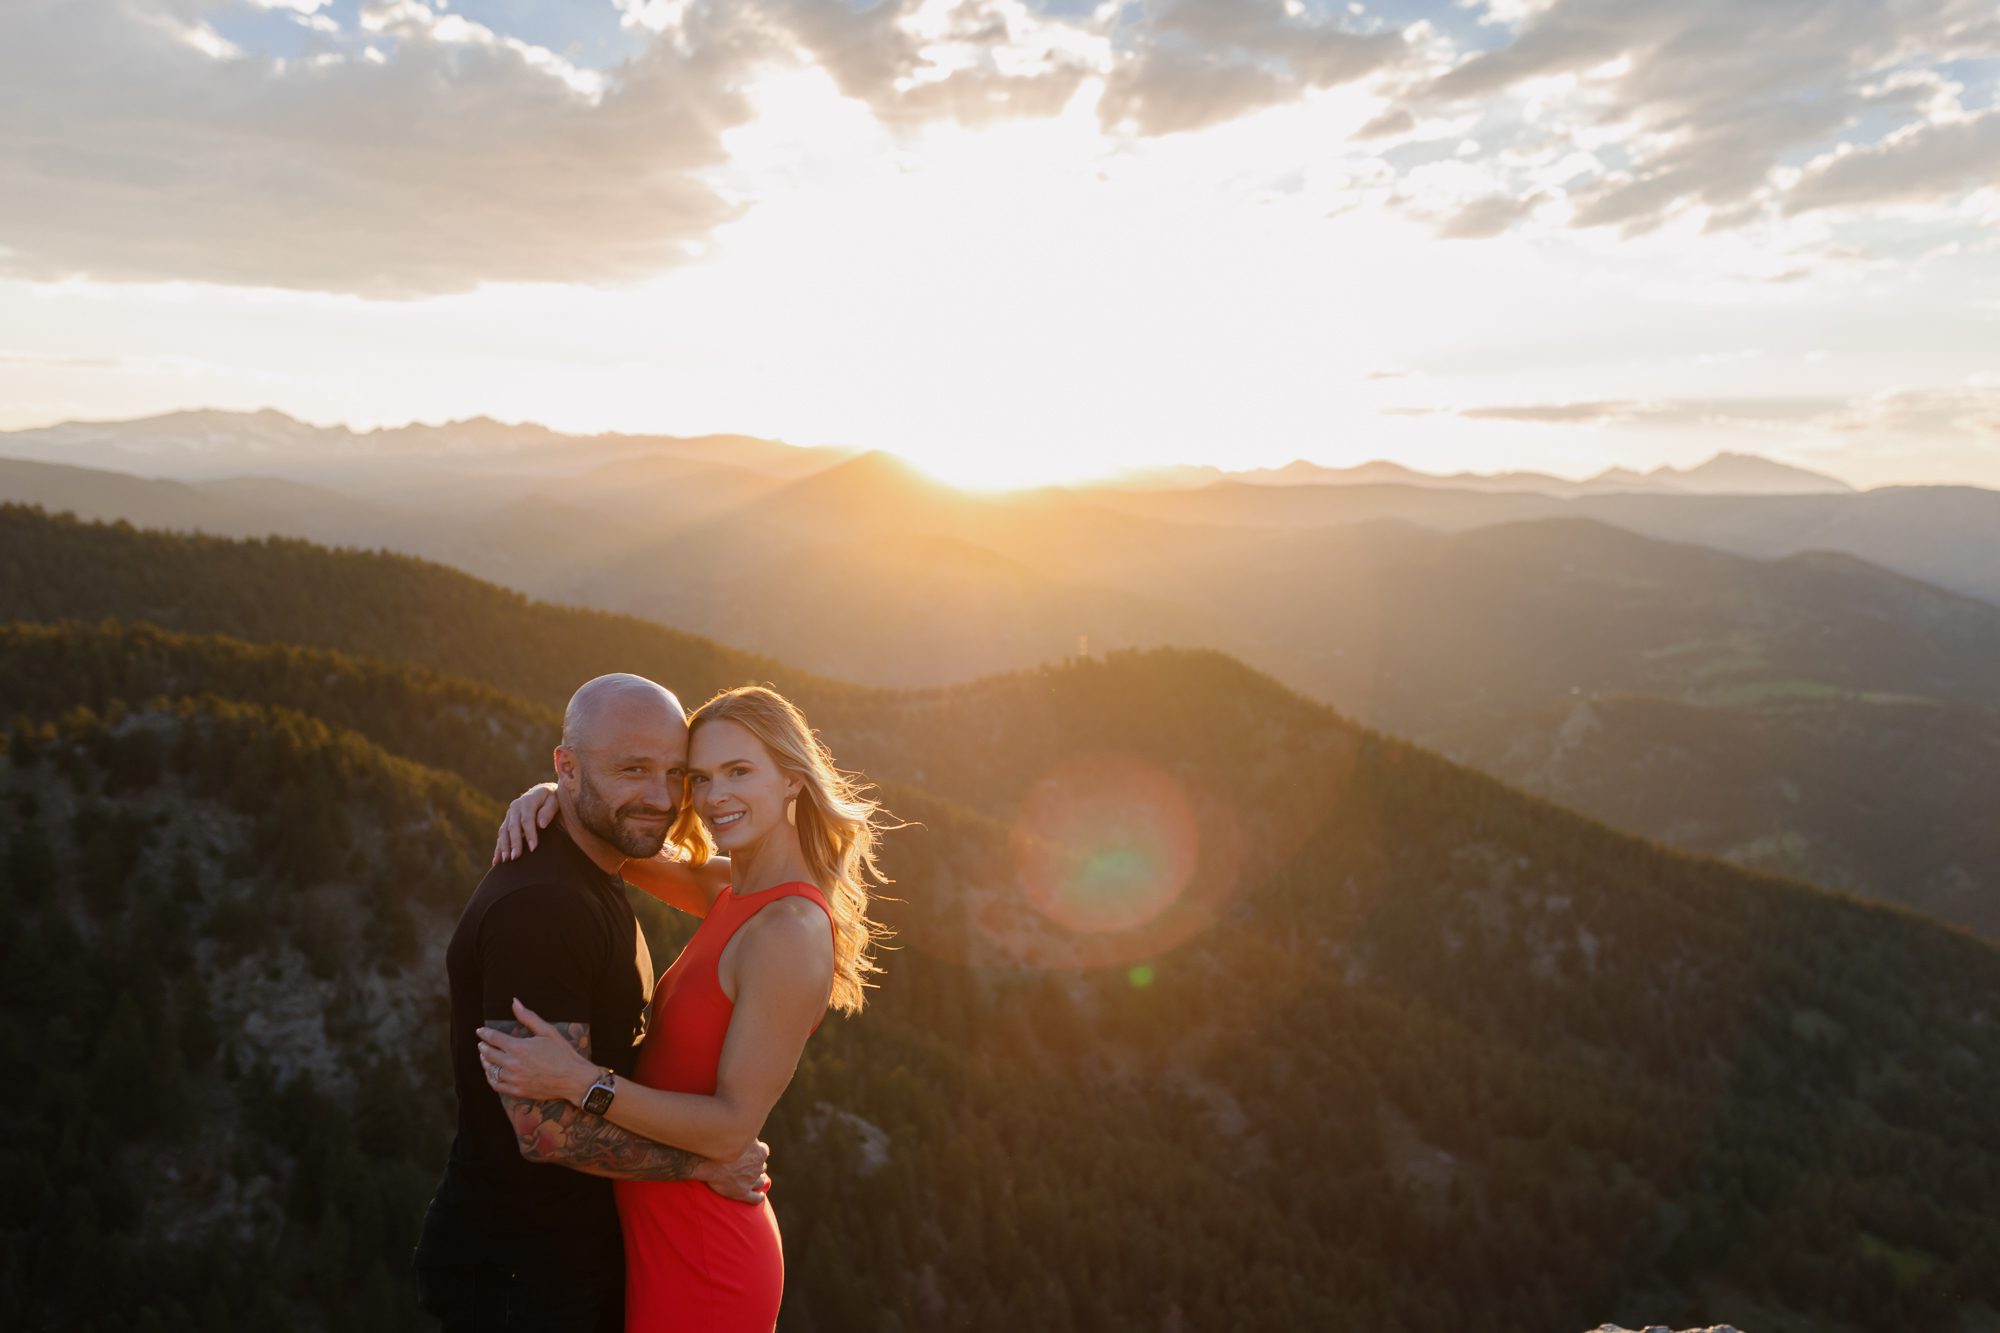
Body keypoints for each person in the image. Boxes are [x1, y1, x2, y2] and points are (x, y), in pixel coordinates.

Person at [480, 683, 892, 1332]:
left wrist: (577, 1079)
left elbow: (732, 1128)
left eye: (739, 771)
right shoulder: (736, 887)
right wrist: (548, 796)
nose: (712, 796)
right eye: (697, 777)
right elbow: (622, 840)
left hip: (706, 1256)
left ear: (792, 779)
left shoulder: (788, 929)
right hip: (661, 1233)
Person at [414, 674, 772, 1333]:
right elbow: (544, 1129)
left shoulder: (594, 863)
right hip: (522, 1275)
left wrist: (552, 795)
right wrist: (703, 1163)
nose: (661, 797)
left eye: (675, 773)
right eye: (634, 768)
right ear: (568, 766)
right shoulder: (544, 908)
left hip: (562, 1258)